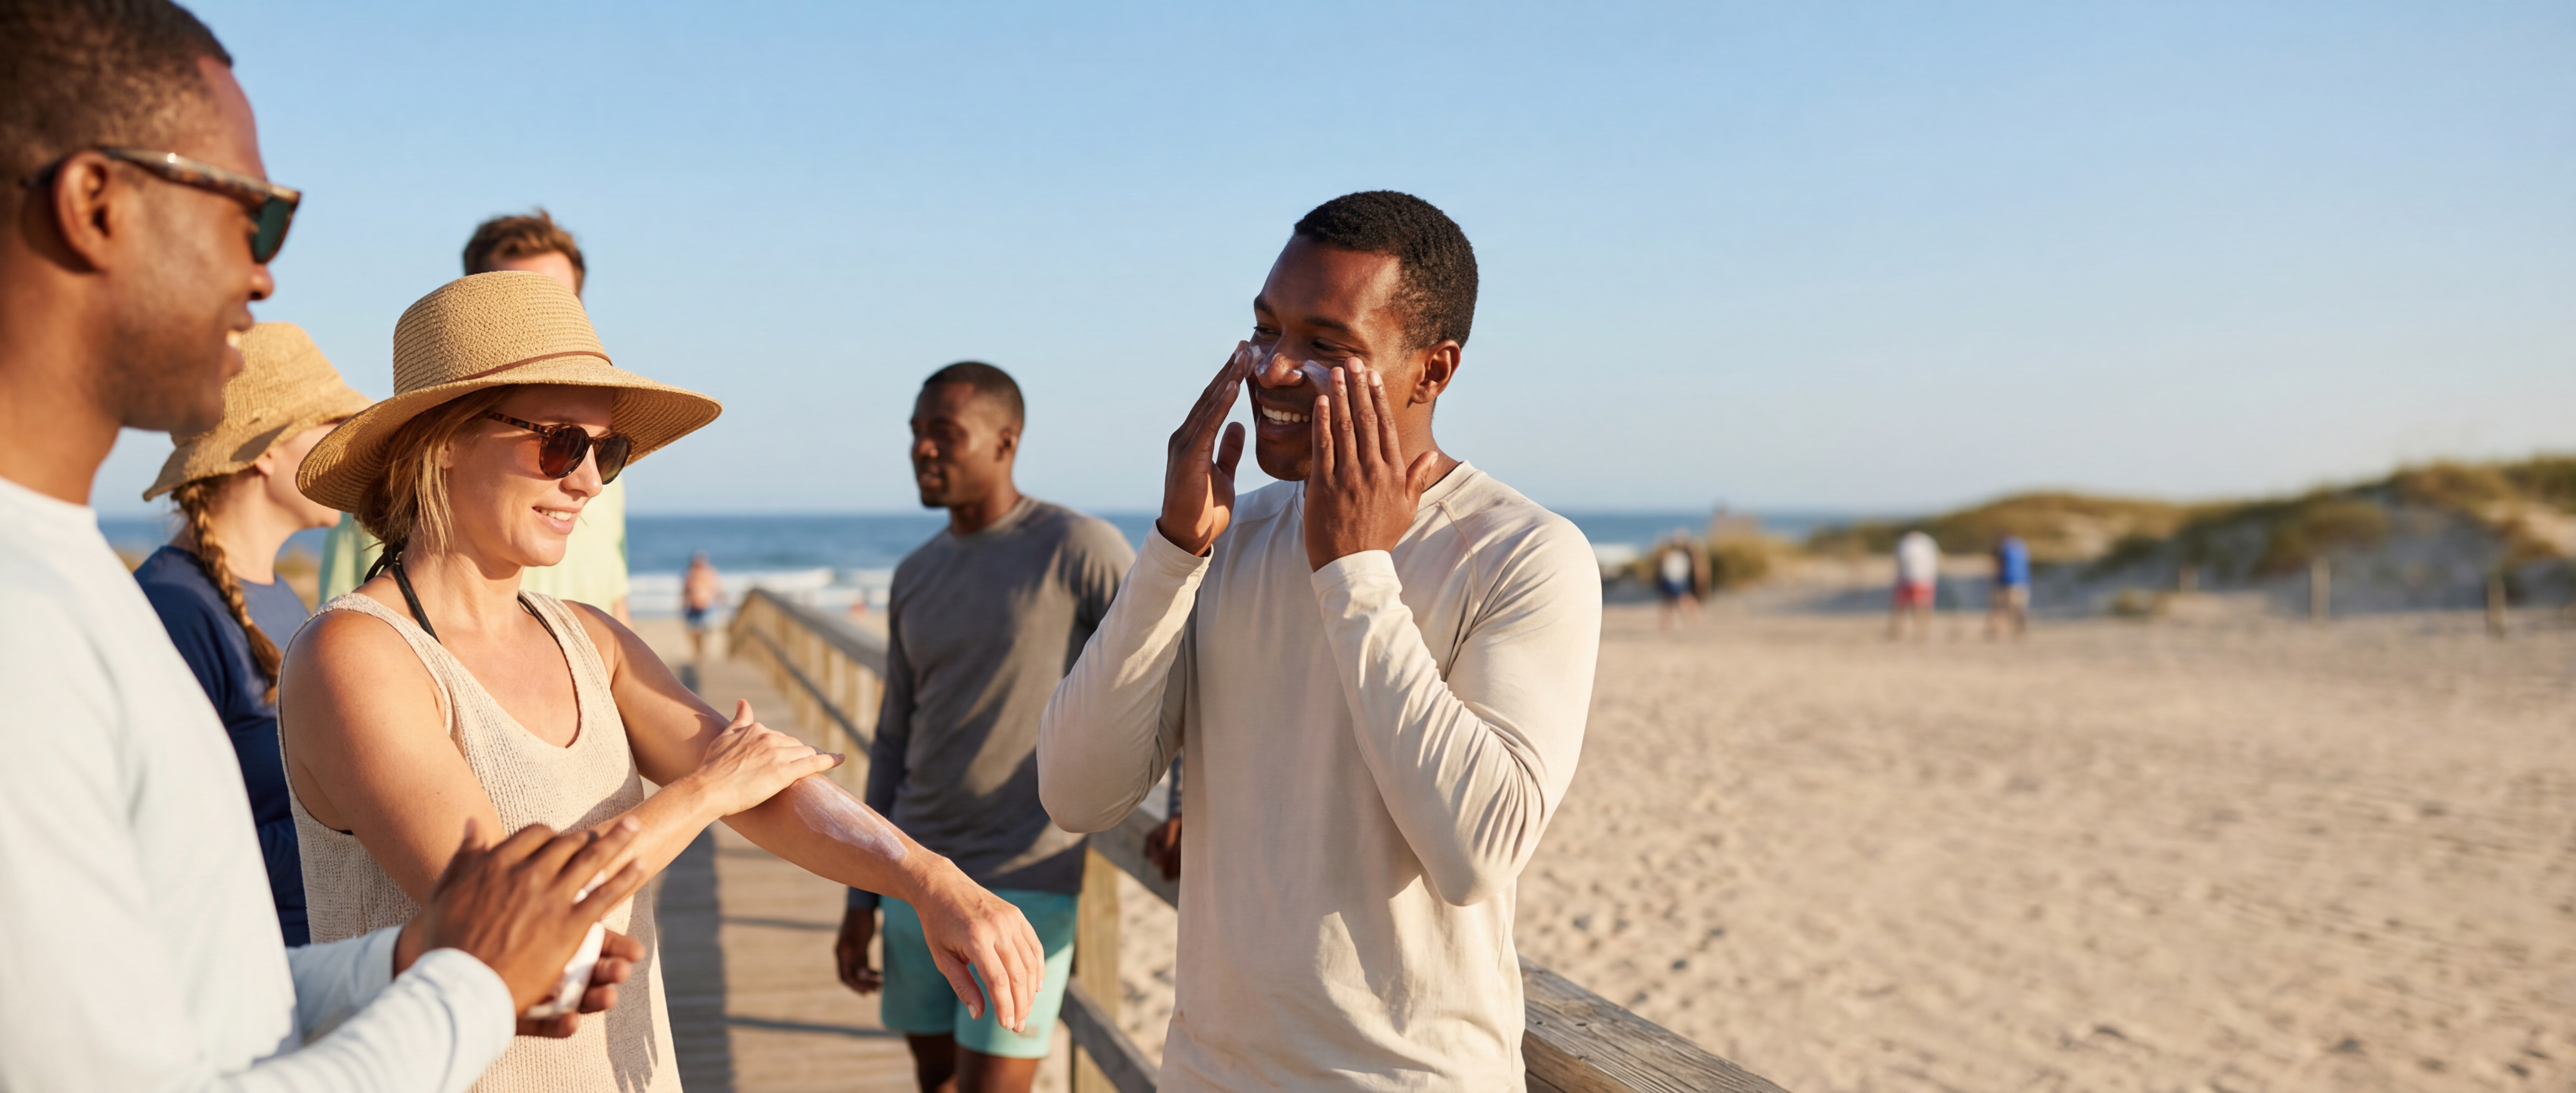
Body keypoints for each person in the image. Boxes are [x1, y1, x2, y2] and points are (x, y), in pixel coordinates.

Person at [0, 3, 652, 1088]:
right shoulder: (25, 629)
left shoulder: (78, 582)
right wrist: (474, 985)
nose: (263, 278)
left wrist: (413, 960)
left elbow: (189, 1002)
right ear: (95, 204)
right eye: (254, 217)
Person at [283, 271, 1046, 1093]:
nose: (587, 483)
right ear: (439, 442)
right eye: (559, 445)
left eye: (605, 452)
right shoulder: (354, 655)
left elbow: (764, 783)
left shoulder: (589, 638)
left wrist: (927, 878)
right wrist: (701, 794)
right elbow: (509, 919)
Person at [1039, 191, 1603, 1090]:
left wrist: (1355, 573)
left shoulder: (1523, 554)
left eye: (1326, 346)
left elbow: (1478, 852)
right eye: (1265, 330)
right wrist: (1172, 551)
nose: (1273, 369)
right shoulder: (1227, 540)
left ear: (1432, 371)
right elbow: (1077, 791)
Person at [833, 362, 1133, 1093]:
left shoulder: (1078, 548)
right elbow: (894, 738)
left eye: (944, 433)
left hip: (1024, 878)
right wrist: (860, 895)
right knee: (934, 1076)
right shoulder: (915, 573)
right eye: (916, 433)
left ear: (1006, 442)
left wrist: (1184, 802)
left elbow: (1169, 666)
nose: (922, 449)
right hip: (914, 873)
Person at [135, 322, 373, 945]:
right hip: (252, 976)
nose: (348, 452)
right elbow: (168, 846)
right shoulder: (173, 609)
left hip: (315, 959)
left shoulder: (275, 598)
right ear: (266, 451)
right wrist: (368, 821)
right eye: (332, 428)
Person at [466, 209, 631, 623]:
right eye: (521, 304)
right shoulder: (401, 483)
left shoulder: (595, 464)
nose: (590, 484)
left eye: (560, 303)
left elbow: (614, 593)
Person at [1890, 528, 1939, 640]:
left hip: (1922, 579)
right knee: (1902, 606)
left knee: (1920, 606)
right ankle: (1898, 631)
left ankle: (1922, 632)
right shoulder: (1905, 543)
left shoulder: (1924, 543)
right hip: (1910, 579)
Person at [1652, 533, 1701, 630]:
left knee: (1677, 602)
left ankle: (1692, 621)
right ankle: (1691, 621)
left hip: (1677, 581)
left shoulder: (1675, 555)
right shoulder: (1680, 555)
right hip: (1677, 581)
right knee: (1675, 603)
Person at [682, 550, 725, 660]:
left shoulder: (710, 573)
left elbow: (716, 589)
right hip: (693, 607)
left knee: (705, 631)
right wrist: (684, 604)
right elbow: (685, 591)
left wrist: (721, 600)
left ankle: (702, 652)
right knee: (694, 632)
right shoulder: (690, 574)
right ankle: (698, 652)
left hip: (707, 606)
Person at [1986, 533, 2031, 638]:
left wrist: (1995, 579)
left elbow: (2000, 565)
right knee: (2019, 608)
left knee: (2000, 607)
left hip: (2007, 581)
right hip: (2023, 581)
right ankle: (2021, 629)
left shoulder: (2004, 548)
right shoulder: (2022, 547)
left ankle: (1996, 630)